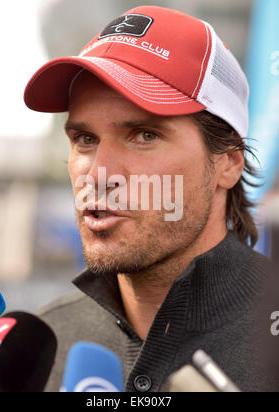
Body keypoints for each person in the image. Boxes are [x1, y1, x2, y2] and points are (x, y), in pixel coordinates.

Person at [24, 6, 275, 392]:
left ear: (228, 163)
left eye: (144, 135)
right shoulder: (42, 345)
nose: (99, 174)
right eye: (85, 139)